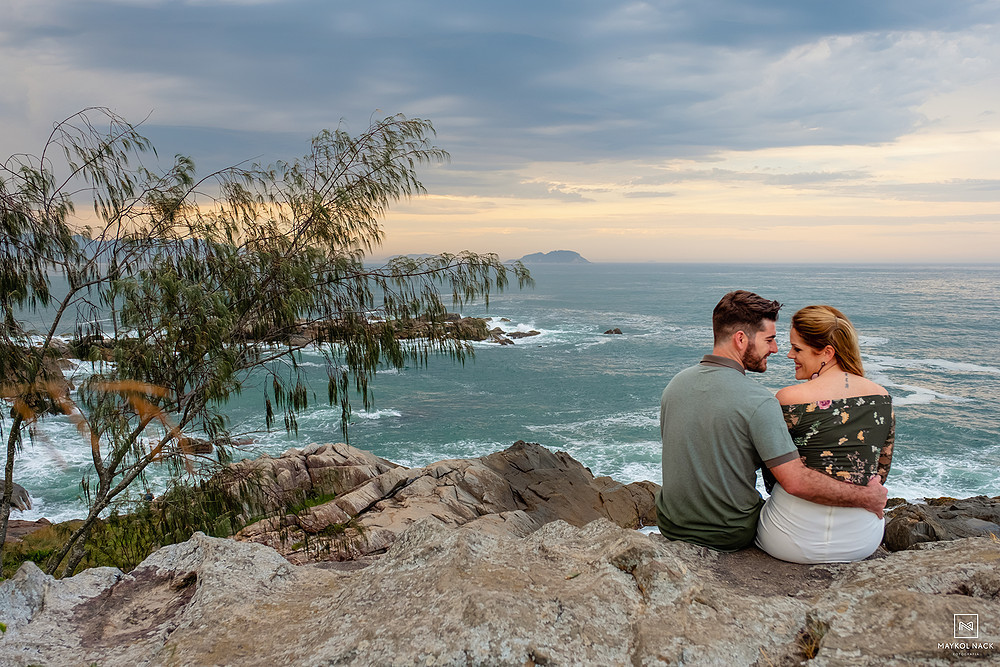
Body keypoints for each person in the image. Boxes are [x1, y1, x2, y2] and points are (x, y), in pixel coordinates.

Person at [655, 291, 887, 552]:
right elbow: (795, 481)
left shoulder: (674, 386)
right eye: (770, 340)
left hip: (670, 525)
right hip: (729, 534)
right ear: (741, 339)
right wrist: (866, 497)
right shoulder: (758, 401)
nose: (776, 349)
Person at [755, 305, 895, 563]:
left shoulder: (788, 399)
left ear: (827, 353)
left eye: (797, 349)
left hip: (789, 539)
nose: (789, 355)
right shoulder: (882, 397)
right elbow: (880, 472)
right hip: (861, 539)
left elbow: (773, 474)